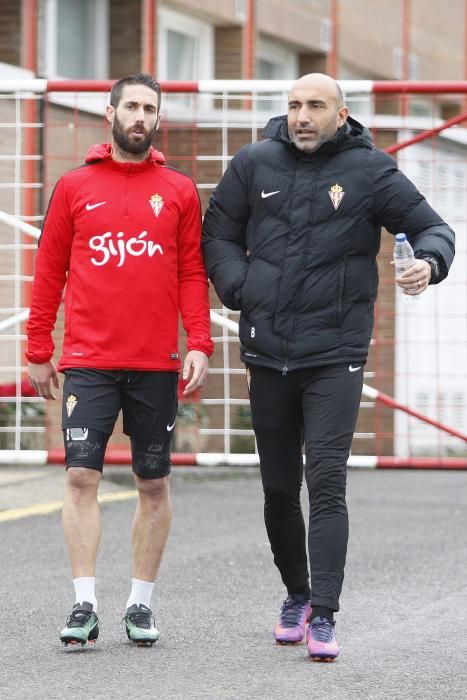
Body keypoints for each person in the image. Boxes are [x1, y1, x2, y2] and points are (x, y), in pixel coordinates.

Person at [202, 73, 455, 661]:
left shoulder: (371, 171)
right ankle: (296, 593)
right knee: (276, 487)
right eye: (293, 105)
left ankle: (325, 612)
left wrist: (430, 264)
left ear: (342, 115)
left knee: (327, 481)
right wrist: (241, 287)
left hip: (335, 356)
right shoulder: (253, 162)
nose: (302, 115)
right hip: (267, 351)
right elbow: (218, 230)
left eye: (316, 105)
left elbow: (432, 228)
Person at [26, 73, 213, 647]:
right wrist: (38, 349)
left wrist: (200, 343)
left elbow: (190, 272)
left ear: (157, 120)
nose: (139, 115)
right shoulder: (75, 186)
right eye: (130, 105)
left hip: (156, 363)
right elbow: (49, 270)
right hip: (89, 360)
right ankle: (84, 604)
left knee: (152, 484)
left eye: (149, 108)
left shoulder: (179, 190)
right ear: (110, 112)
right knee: (81, 475)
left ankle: (139, 605)